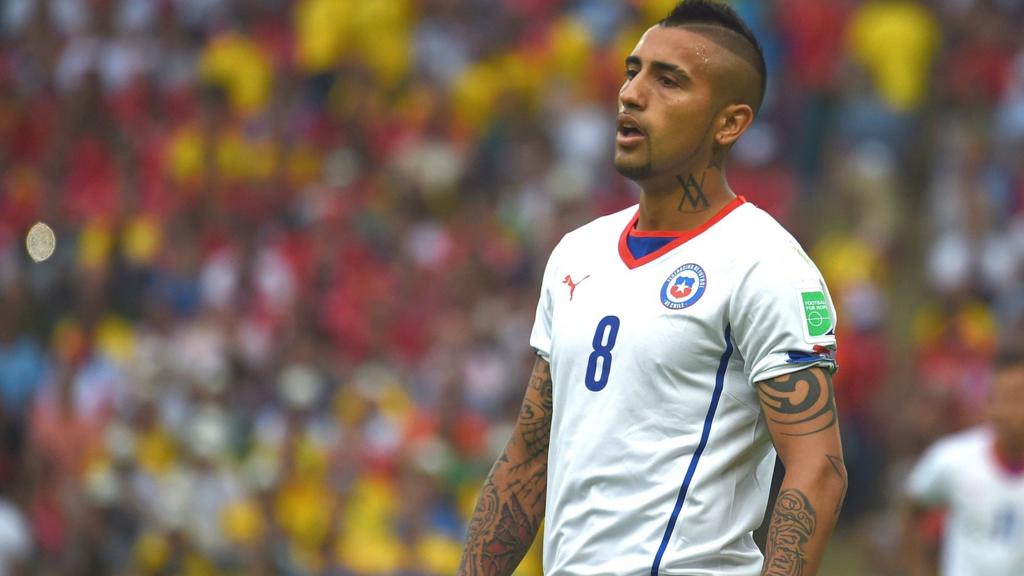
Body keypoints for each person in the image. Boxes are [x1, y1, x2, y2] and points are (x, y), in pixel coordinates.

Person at [458, 1, 847, 574]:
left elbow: (817, 469)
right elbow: (529, 455)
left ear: (729, 123)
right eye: (633, 71)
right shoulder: (577, 252)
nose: (632, 94)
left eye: (669, 81)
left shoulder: (765, 265)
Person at [903, 347, 1024, 576]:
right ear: (990, 405)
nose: (1016, 411)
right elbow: (912, 507)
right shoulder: (952, 459)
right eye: (1008, 399)